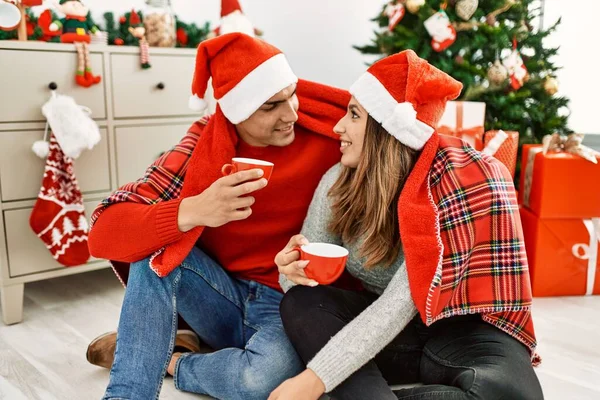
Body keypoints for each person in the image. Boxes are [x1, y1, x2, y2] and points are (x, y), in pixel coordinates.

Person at [87, 32, 354, 400]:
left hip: (289, 301)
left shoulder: (331, 133)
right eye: (270, 106)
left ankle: (171, 356)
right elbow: (103, 232)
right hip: (219, 295)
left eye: (291, 93)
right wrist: (194, 209)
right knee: (151, 252)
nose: (291, 112)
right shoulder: (205, 145)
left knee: (258, 381)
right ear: (236, 111)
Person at [270, 50, 544, 400]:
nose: (338, 126)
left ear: (388, 129)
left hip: (464, 335)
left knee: (515, 396)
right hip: (392, 338)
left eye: (354, 114)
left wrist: (314, 380)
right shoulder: (338, 182)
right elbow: (305, 282)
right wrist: (290, 271)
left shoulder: (450, 188)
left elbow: (402, 301)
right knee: (303, 303)